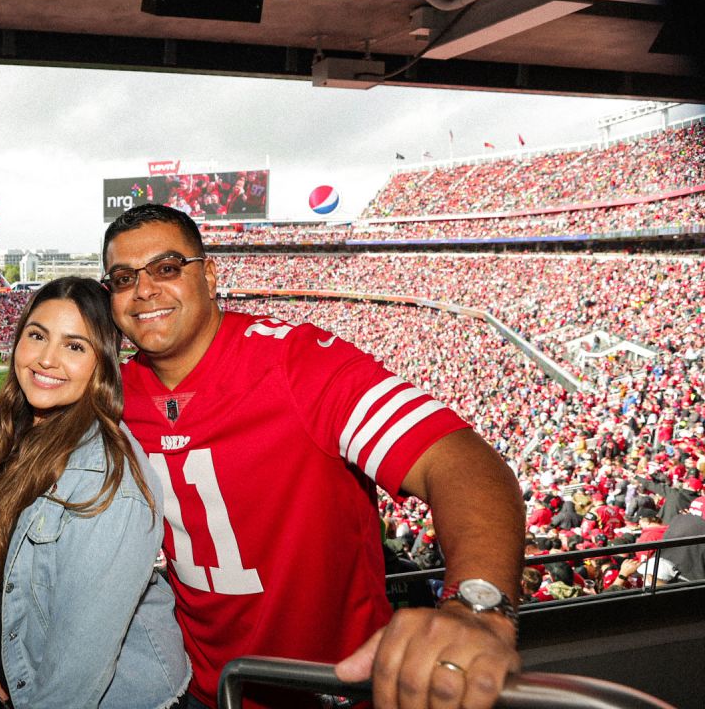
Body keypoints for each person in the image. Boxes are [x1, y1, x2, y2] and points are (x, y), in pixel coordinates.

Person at [103, 204, 524, 709]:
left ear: (210, 275)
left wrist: (475, 607)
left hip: (332, 688)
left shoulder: (298, 363)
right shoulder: (116, 395)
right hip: (199, 689)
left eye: (166, 268)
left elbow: (457, 460)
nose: (144, 290)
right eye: (124, 277)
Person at [0, 277, 190, 709]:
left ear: (103, 362)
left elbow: (78, 668)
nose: (47, 359)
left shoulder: (108, 479)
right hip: (8, 675)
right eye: (37, 336)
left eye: (75, 346)